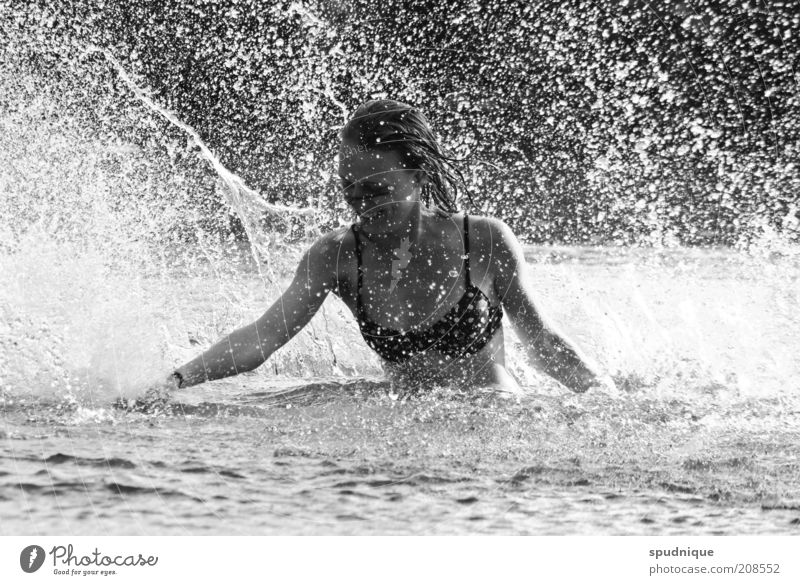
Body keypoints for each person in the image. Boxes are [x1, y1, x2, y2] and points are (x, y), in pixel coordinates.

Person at [161, 99, 611, 396]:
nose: (360, 205)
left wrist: (603, 397)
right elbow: (261, 340)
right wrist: (173, 382)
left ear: (418, 176)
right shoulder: (336, 257)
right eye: (348, 190)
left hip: (494, 417)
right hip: (401, 421)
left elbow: (543, 342)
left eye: (375, 190)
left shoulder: (485, 240)